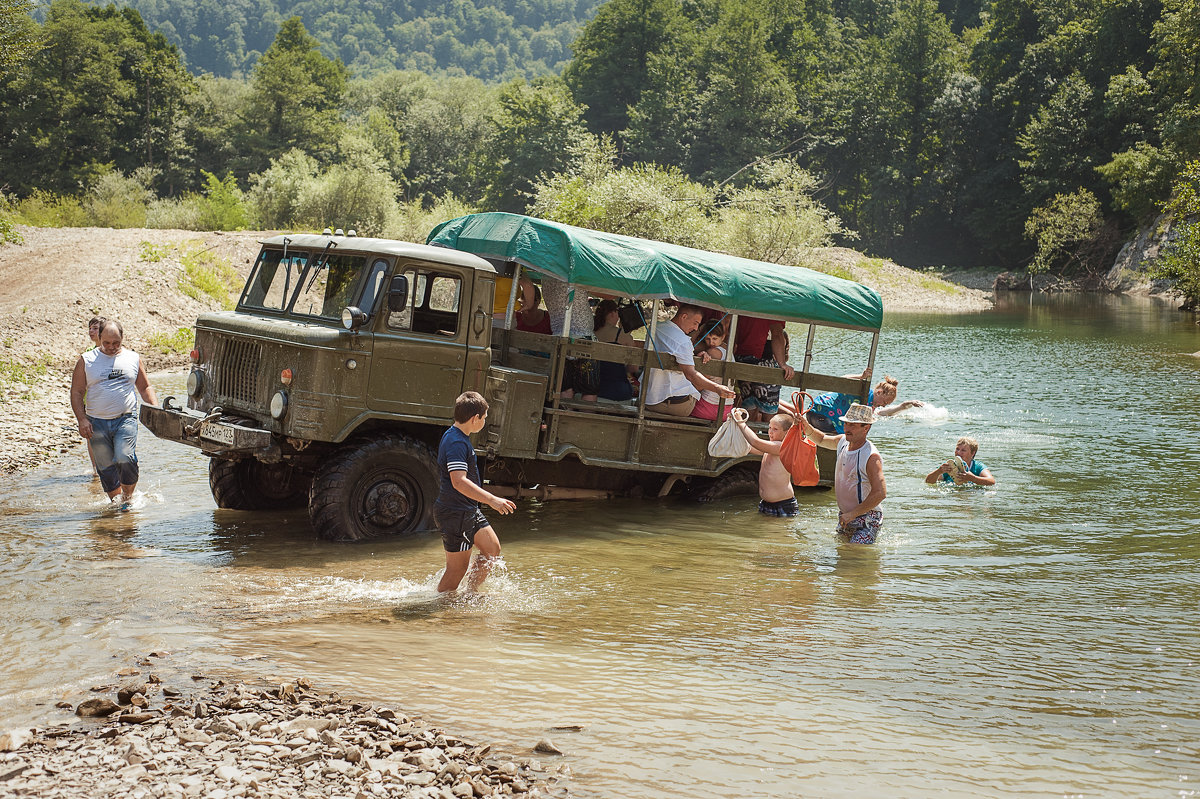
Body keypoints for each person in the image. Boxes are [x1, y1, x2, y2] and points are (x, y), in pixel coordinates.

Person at [433, 391, 516, 592]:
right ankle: (438, 609)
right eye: (484, 418)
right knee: (457, 570)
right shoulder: (456, 442)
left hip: (467, 509)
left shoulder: (458, 436)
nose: (485, 422)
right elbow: (459, 482)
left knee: (492, 550)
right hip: (454, 512)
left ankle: (469, 593)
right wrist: (492, 500)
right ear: (475, 418)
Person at [70, 319, 157, 505]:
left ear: (122, 338)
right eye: (107, 343)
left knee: (125, 457)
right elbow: (77, 392)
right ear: (99, 338)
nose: (111, 347)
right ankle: (117, 503)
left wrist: (155, 410)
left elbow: (145, 387)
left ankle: (127, 499)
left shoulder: (132, 358)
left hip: (124, 418)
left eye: (116, 343)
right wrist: (82, 420)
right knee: (105, 467)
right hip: (96, 421)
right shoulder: (86, 360)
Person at [801, 402, 887, 544]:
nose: (847, 428)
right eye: (846, 423)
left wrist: (853, 514)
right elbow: (821, 439)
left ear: (866, 427)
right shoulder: (842, 441)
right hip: (846, 515)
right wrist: (805, 425)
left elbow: (880, 493)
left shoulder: (871, 456)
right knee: (842, 555)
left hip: (867, 516)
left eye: (852, 425)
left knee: (853, 553)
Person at [644, 303, 737, 416]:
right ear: (684, 317)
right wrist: (717, 388)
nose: (696, 328)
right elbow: (691, 375)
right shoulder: (683, 341)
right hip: (675, 405)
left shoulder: (655, 327)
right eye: (695, 323)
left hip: (648, 397)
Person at [805, 370, 924, 435]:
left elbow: (882, 413)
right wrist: (861, 376)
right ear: (879, 392)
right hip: (821, 414)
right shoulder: (864, 392)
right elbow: (843, 380)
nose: (883, 405)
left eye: (886, 404)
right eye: (884, 401)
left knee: (850, 434)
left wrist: (903, 406)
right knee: (847, 436)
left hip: (815, 415)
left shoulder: (870, 405)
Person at [733, 409, 799, 516]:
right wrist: (733, 426)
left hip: (782, 504)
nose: (770, 432)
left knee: (778, 532)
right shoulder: (771, 447)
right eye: (769, 428)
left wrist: (740, 422)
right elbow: (749, 448)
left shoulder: (782, 447)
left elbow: (755, 442)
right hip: (766, 503)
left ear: (787, 433)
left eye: (775, 429)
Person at [541, 276, 597, 401]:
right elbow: (605, 292)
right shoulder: (575, 274)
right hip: (583, 338)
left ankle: (561, 418)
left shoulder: (546, 275)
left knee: (565, 387)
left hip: (559, 336)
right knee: (589, 390)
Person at [733, 316, 795, 422]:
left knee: (749, 406)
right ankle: (769, 437)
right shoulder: (773, 304)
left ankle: (748, 437)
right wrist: (782, 363)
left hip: (742, 356)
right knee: (768, 409)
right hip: (763, 358)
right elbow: (777, 333)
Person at [593, 299, 640, 401]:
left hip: (592, 386)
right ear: (612, 313)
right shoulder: (622, 335)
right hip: (617, 389)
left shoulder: (592, 332)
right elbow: (634, 368)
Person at [690, 317, 734, 420]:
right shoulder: (727, 348)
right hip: (727, 407)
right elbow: (690, 345)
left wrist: (700, 329)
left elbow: (699, 386)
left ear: (723, 337)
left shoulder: (713, 352)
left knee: (682, 405)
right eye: (707, 339)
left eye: (714, 339)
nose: (711, 343)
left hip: (709, 407)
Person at [925, 436, 996, 486]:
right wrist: (939, 471)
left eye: (963, 450)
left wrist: (973, 478)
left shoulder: (977, 466)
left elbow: (991, 481)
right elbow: (928, 482)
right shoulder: (950, 466)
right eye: (957, 449)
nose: (958, 452)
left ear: (972, 453)